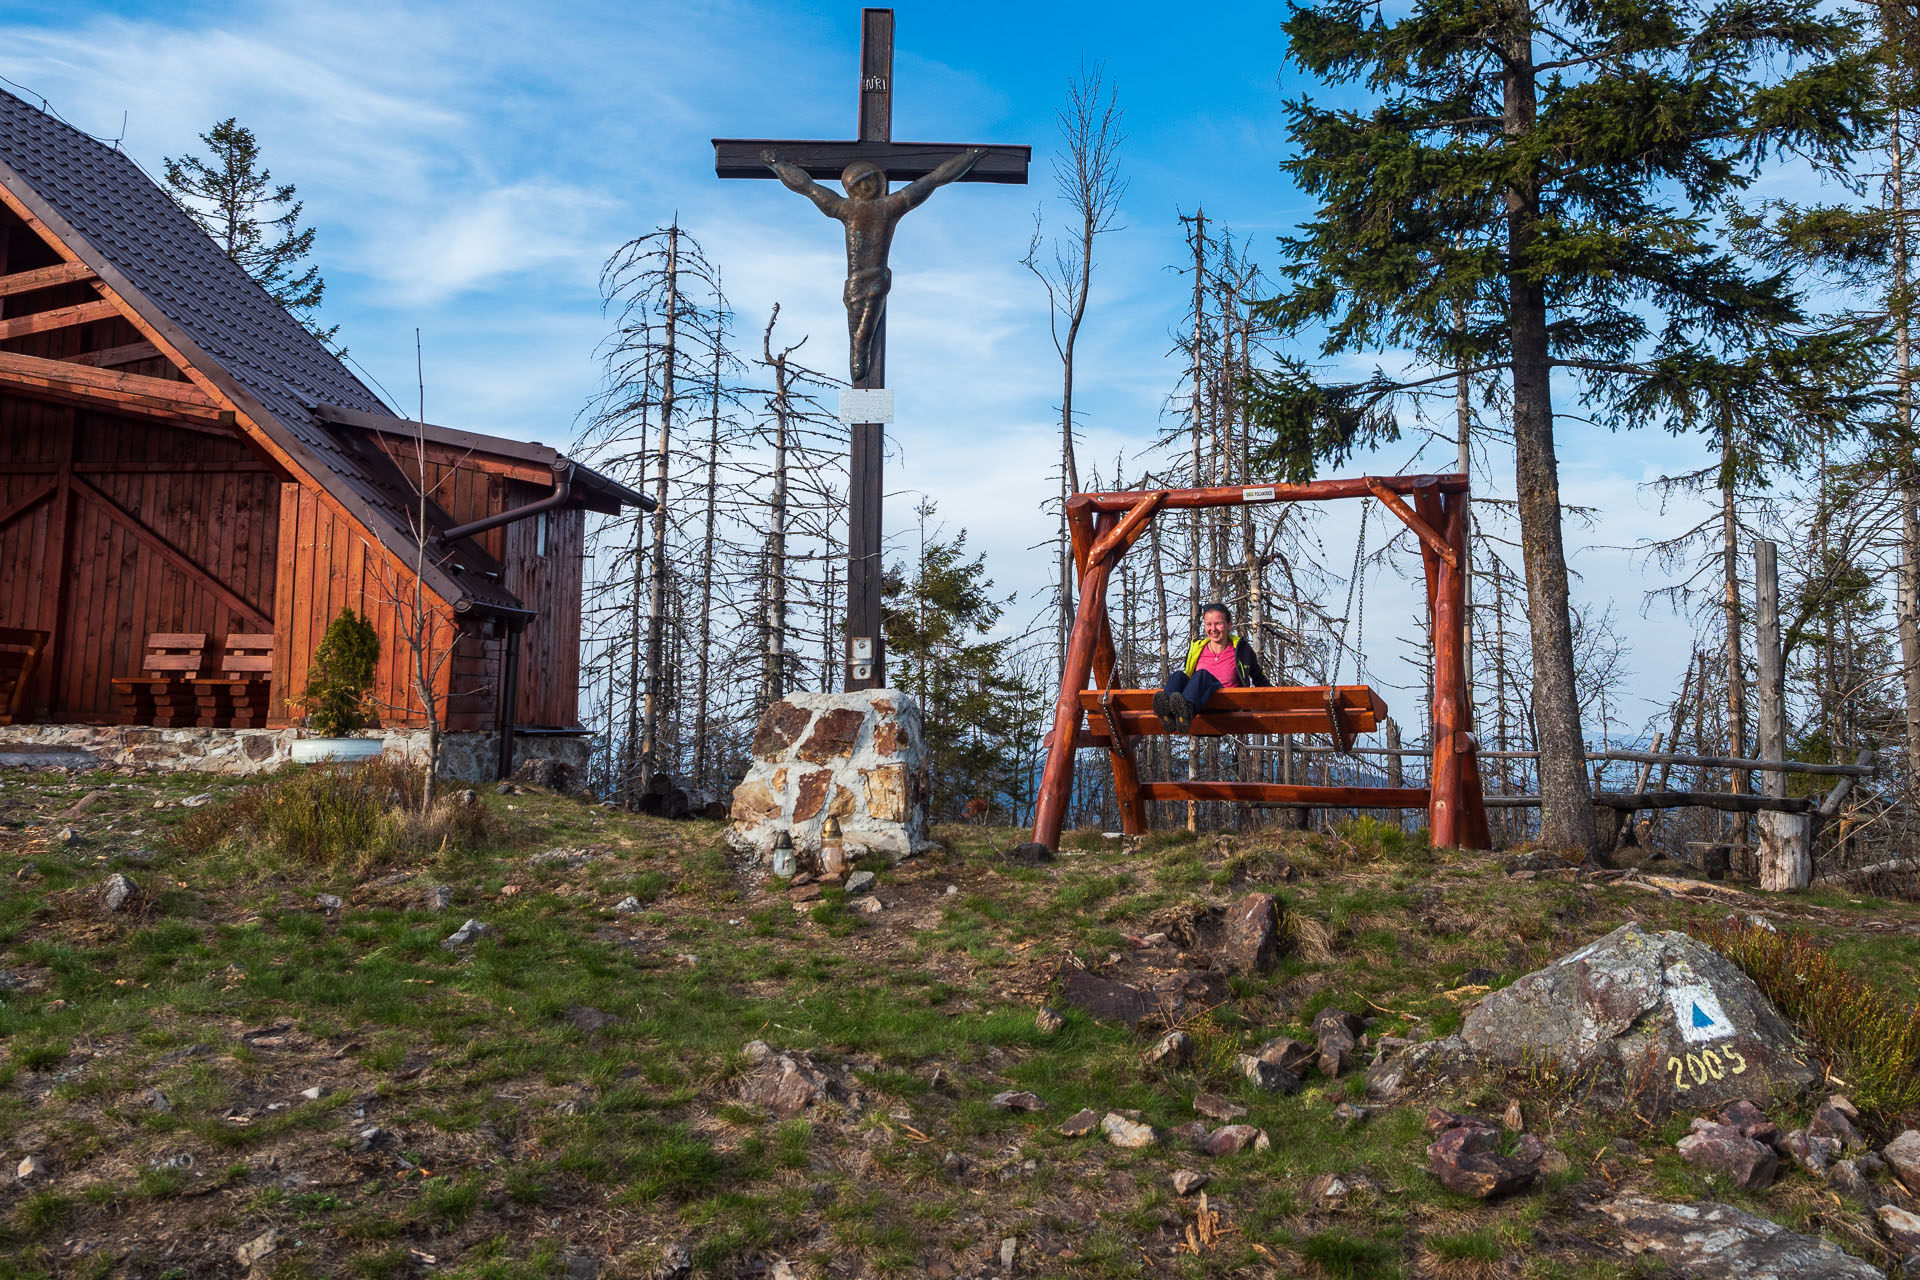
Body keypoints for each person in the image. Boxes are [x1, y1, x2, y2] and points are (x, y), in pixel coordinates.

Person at [1153, 603, 1267, 733]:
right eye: (1208, 624)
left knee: (1203, 675)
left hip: (1226, 706)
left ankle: (1186, 712)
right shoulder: (1197, 648)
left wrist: (1276, 702)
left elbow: (1259, 678)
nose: (1213, 629)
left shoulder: (1241, 650)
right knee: (1179, 676)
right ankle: (1168, 713)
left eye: (1218, 623)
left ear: (1229, 624)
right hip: (1200, 705)